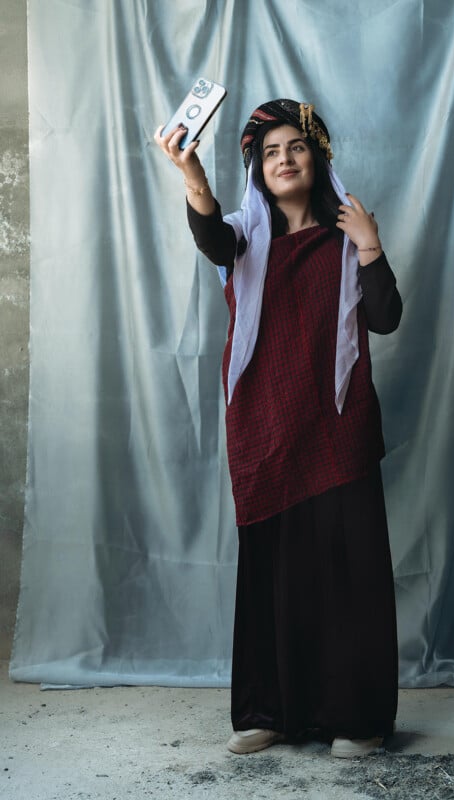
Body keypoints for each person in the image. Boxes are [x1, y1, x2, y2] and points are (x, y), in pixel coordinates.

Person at [154, 98, 402, 759]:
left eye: (295, 147)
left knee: (346, 575)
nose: (284, 160)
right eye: (270, 153)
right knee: (273, 573)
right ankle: (271, 711)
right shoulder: (242, 234)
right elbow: (210, 239)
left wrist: (370, 243)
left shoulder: (347, 233)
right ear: (257, 171)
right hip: (265, 429)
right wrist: (193, 176)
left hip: (338, 427)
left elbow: (385, 318)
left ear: (317, 159)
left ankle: (357, 717)